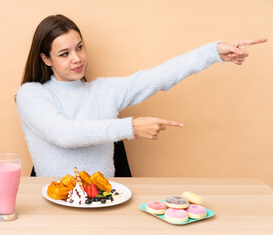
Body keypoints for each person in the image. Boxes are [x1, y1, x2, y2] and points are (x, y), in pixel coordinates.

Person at [16, 14, 267, 177]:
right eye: (64, 54)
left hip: (104, 204)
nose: (77, 58)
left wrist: (214, 53)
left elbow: (157, 76)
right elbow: (64, 133)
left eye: (79, 47)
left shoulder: (104, 90)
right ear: (46, 58)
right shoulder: (32, 95)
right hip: (52, 207)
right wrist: (130, 126)